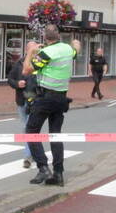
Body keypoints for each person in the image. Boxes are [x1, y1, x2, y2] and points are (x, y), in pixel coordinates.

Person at [23, 24, 81, 186]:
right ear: (59, 36)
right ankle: (58, 173)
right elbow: (76, 50)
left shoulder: (46, 53)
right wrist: (76, 43)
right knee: (55, 134)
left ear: (44, 37)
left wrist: (30, 52)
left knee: (31, 132)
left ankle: (43, 168)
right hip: (61, 98)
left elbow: (26, 70)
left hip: (45, 97)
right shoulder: (67, 49)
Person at [6, 56, 36, 168]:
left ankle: (27, 157)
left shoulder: (40, 63)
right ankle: (34, 151)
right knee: (27, 128)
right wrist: (17, 84)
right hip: (21, 101)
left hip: (34, 102)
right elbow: (10, 79)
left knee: (28, 128)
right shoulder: (19, 63)